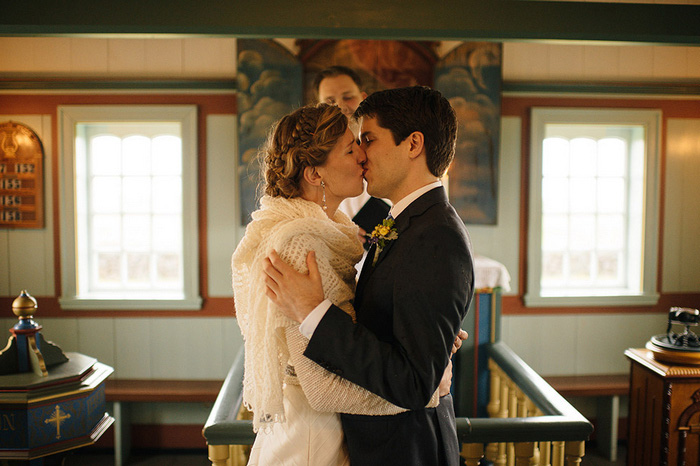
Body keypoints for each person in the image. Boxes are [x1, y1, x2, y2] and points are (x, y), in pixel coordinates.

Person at [232, 103, 458, 466]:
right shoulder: (297, 245)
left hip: (336, 431)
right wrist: (429, 391)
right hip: (310, 440)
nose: (362, 155)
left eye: (362, 143)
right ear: (315, 174)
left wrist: (428, 336)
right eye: (351, 148)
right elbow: (322, 388)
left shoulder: (332, 231)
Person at [313, 65, 390, 236]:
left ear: (363, 98)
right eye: (330, 101)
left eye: (348, 97)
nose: (340, 106)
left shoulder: (386, 144)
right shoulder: (313, 156)